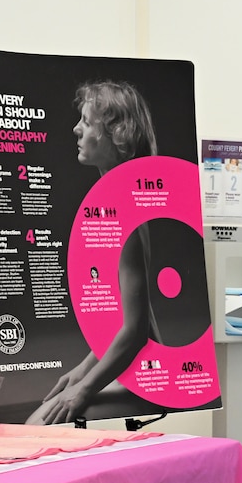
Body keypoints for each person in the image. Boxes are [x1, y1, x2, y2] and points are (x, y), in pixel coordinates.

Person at [28, 81, 159, 424]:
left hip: (146, 373)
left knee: (36, 426)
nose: (75, 129)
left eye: (86, 123)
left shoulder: (124, 212)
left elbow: (136, 330)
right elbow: (125, 321)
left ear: (117, 135)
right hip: (138, 364)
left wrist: (85, 388)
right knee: (42, 417)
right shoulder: (118, 201)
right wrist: (82, 371)